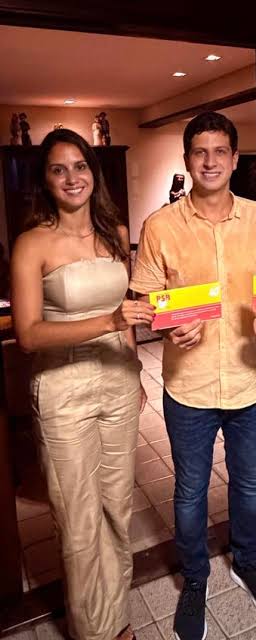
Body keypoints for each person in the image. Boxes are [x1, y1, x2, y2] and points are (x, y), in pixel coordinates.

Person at [130, 111, 256, 640]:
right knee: (190, 491)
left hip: (250, 379)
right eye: (200, 152)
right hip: (189, 387)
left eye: (220, 151)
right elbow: (146, 304)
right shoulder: (160, 226)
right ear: (187, 160)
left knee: (248, 483)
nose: (210, 161)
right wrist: (165, 324)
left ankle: (248, 561)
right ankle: (195, 576)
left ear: (235, 159)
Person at [10, 128, 155, 640]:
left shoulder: (115, 232)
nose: (72, 177)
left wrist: (135, 369)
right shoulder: (32, 243)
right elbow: (29, 334)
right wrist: (108, 322)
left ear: (94, 173)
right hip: (62, 386)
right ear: (45, 180)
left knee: (117, 505)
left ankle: (117, 618)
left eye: (80, 166)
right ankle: (92, 631)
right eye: (59, 169)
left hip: (117, 380)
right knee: (78, 517)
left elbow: (128, 313)